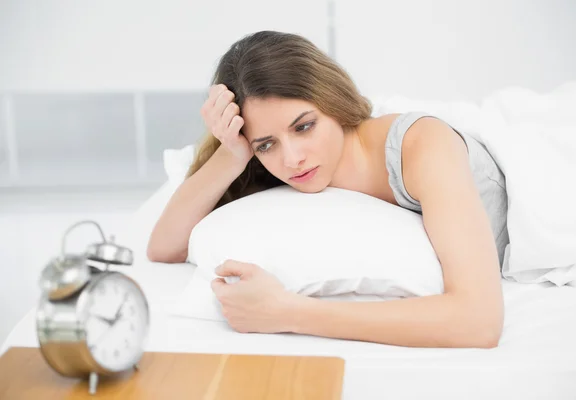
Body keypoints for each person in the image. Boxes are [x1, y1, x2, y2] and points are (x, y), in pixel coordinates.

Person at [147, 30, 508, 349]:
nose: (292, 160)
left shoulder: (423, 145)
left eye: (304, 127)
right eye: (266, 144)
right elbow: (165, 247)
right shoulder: (271, 166)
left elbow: (479, 320)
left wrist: (287, 312)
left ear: (333, 100)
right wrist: (232, 154)